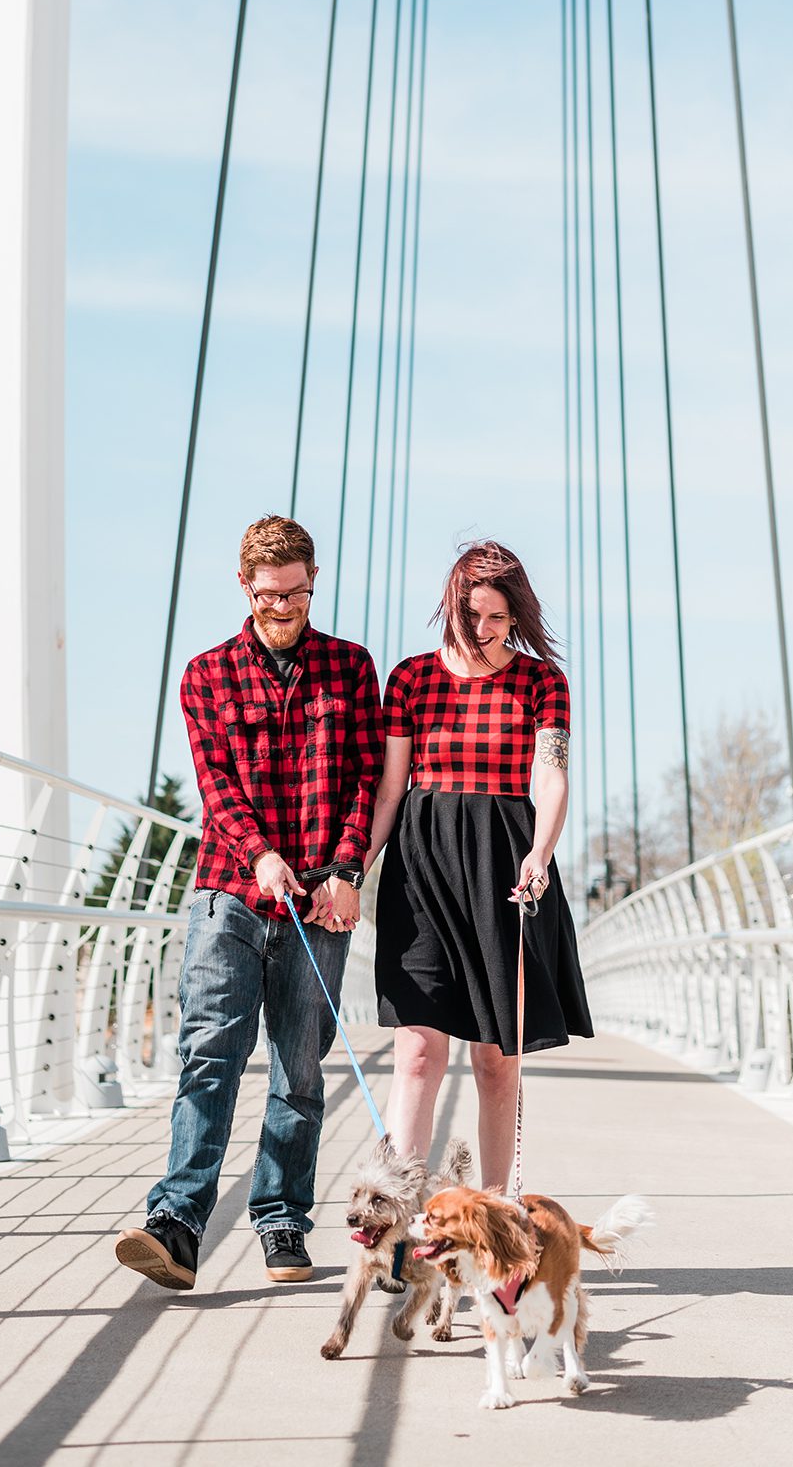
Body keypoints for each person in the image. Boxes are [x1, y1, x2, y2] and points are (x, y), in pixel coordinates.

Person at [116, 515, 383, 1292]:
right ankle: (178, 1225)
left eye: (300, 592)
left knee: (300, 1071)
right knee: (211, 1060)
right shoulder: (206, 675)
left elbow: (365, 778)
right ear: (245, 586)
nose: (287, 606)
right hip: (228, 896)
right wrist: (261, 853)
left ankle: (281, 1223)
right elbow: (217, 786)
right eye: (272, 595)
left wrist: (345, 870)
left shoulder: (351, 669)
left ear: (313, 581)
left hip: (319, 901)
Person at [367, 540, 593, 1190]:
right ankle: (401, 1217)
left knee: (498, 1061)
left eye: (499, 619)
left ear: (517, 616)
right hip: (420, 868)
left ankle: (496, 1214)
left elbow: (551, 777)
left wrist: (541, 853)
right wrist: (354, 871)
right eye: (474, 617)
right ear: (452, 610)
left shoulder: (542, 682)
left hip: (505, 866)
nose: (486, 632)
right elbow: (390, 788)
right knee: (415, 1053)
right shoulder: (410, 679)